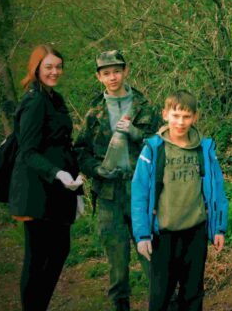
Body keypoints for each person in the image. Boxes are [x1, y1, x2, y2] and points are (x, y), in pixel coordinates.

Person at [74, 50, 161, 311]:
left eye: (116, 71)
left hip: (141, 191)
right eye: (106, 73)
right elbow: (79, 151)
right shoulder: (94, 113)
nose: (112, 77)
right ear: (99, 77)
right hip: (109, 195)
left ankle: (164, 303)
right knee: (117, 263)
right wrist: (96, 170)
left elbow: (162, 144)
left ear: (126, 71)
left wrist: (136, 133)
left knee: (152, 257)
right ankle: (120, 306)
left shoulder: (145, 106)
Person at [131, 90, 229, 311]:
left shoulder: (204, 148)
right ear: (165, 114)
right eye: (175, 116)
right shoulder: (153, 149)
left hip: (196, 231)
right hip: (163, 233)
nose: (180, 122)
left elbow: (217, 189)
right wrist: (142, 235)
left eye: (186, 116)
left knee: (193, 293)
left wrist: (218, 228)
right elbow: (139, 194)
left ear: (195, 117)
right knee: (161, 295)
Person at [8, 44, 84, 311]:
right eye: (49, 67)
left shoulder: (55, 99)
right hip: (36, 192)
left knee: (60, 250)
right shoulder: (34, 101)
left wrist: (77, 192)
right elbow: (27, 152)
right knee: (38, 257)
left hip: (60, 191)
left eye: (58, 67)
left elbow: (64, 145)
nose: (54, 72)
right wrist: (57, 173)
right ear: (37, 68)